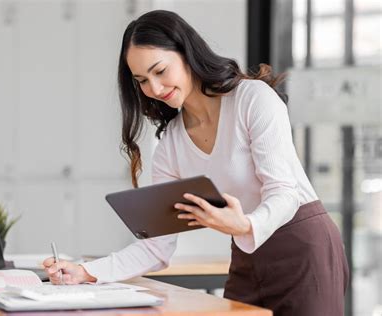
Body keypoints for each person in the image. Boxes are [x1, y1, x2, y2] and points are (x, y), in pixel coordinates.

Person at [43, 10, 349, 315]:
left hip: (304, 247)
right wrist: (86, 272)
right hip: (246, 254)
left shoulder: (252, 99)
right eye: (142, 80)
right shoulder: (171, 144)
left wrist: (246, 224)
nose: (155, 89)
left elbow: (285, 191)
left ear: (186, 54)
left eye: (160, 71)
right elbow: (156, 245)